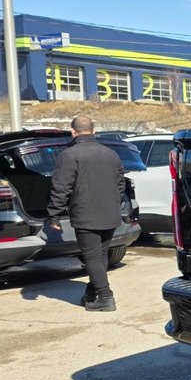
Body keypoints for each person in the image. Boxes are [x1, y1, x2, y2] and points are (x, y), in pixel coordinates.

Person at [46, 116, 125, 312]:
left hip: (86, 213)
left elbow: (61, 187)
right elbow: (120, 184)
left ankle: (105, 297)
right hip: (110, 213)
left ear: (73, 132)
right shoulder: (111, 154)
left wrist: (54, 214)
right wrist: (115, 203)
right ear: (93, 130)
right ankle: (92, 291)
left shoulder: (69, 155)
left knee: (92, 256)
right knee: (100, 255)